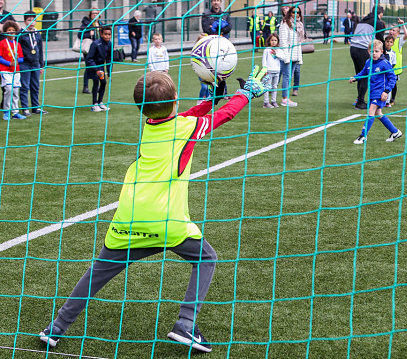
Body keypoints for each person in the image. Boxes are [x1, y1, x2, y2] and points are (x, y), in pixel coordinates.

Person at [38, 67, 271, 354]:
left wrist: (214, 97)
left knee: (97, 272)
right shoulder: (185, 128)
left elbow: (188, 115)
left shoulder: (151, 125)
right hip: (167, 222)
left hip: (129, 217)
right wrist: (245, 94)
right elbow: (225, 116)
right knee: (206, 258)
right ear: (175, 98)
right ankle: (185, 323)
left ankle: (56, 327)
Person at [349, 39, 401, 145]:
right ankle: (395, 132)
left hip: (381, 93)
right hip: (372, 92)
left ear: (381, 51)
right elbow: (363, 72)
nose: (374, 53)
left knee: (371, 111)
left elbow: (392, 78)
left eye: (376, 51)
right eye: (371, 51)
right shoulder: (368, 62)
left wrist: (386, 91)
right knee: (378, 113)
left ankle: (363, 136)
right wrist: (355, 78)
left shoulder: (385, 63)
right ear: (368, 51)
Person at [350, 6, 386, 110]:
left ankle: (359, 99)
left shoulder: (362, 20)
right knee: (366, 75)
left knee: (360, 75)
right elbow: (380, 39)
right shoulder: (377, 22)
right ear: (381, 14)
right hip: (363, 49)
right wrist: (385, 53)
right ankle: (360, 102)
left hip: (353, 48)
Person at [19, 10, 47, 117]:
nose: (31, 22)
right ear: (25, 21)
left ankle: (36, 107)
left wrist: (41, 65)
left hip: (36, 64)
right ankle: (25, 109)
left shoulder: (37, 34)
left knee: (35, 86)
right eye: (29, 20)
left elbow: (40, 50)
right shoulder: (21, 34)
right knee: (25, 87)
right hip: (25, 64)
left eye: (33, 20)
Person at [0, 20, 26, 121]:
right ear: (5, 32)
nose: (11, 32)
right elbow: (0, 57)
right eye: (9, 30)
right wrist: (9, 63)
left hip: (16, 71)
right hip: (5, 70)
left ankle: (15, 112)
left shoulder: (17, 44)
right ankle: (6, 111)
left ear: (16, 32)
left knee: (15, 91)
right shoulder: (2, 43)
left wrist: (17, 60)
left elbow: (22, 58)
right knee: (9, 89)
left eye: (13, 31)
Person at [277, 6, 303, 107]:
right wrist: (286, 56)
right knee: (286, 77)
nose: (296, 14)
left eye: (298, 13)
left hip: (295, 55)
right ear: (289, 13)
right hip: (287, 55)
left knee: (290, 77)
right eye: (293, 12)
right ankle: (284, 99)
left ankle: (287, 98)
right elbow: (283, 41)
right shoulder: (285, 24)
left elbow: (299, 43)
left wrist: (299, 58)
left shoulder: (299, 25)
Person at [85, 26, 112, 112]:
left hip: (101, 67)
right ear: (101, 34)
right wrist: (96, 70)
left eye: (109, 34)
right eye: (105, 34)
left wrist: (109, 72)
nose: (107, 36)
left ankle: (100, 102)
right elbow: (89, 59)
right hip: (93, 66)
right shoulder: (95, 44)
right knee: (96, 82)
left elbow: (108, 59)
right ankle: (94, 104)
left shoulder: (110, 44)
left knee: (103, 82)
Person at [78, 8, 102, 94]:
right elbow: (79, 34)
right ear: (90, 15)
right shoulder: (87, 23)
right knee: (89, 67)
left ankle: (97, 86)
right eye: (93, 13)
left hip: (99, 49)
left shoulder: (100, 23)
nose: (95, 15)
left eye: (96, 13)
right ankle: (85, 87)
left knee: (98, 67)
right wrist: (89, 34)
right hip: (89, 49)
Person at [389, 18, 407, 107]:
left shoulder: (399, 42)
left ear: (397, 33)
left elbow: (406, 35)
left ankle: (392, 99)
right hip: (386, 67)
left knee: (393, 83)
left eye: (393, 30)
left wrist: (403, 24)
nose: (391, 31)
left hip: (395, 68)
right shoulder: (387, 41)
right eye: (390, 29)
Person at [262, 33, 280, 108]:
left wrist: (276, 54)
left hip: (277, 71)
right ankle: (266, 102)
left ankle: (273, 101)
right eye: (272, 40)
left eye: (275, 40)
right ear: (269, 41)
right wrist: (264, 69)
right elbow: (264, 60)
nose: (273, 42)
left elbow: (283, 57)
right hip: (269, 71)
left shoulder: (279, 50)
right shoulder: (266, 50)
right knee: (267, 86)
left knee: (275, 86)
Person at [383, 35, 396, 107]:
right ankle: (382, 100)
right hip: (382, 72)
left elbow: (394, 63)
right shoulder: (382, 52)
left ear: (393, 43)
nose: (388, 43)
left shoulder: (393, 53)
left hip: (389, 72)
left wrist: (390, 69)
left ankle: (387, 102)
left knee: (389, 86)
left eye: (390, 42)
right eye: (387, 41)